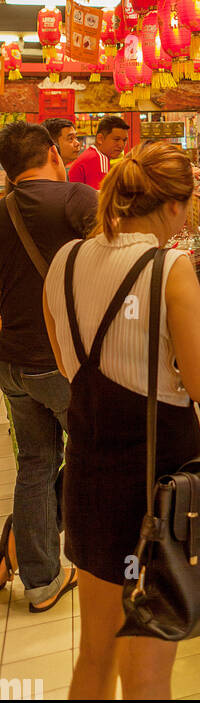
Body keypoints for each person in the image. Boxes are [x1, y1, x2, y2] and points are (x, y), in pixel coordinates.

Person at [42, 141, 200, 701]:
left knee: (94, 654)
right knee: (147, 674)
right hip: (156, 491)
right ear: (172, 206)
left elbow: (67, 361)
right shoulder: (169, 268)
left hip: (91, 479)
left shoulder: (64, 261)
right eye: (188, 204)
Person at [0, 122, 97, 610]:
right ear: (54, 155)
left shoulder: (0, 211)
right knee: (93, 450)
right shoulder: (77, 199)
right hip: (60, 360)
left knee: (35, 464)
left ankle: (40, 581)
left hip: (12, 362)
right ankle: (105, 561)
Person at [68, 114, 130, 190]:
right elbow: (100, 197)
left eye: (124, 140)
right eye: (116, 139)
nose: (121, 145)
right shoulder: (99, 158)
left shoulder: (93, 154)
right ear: (100, 139)